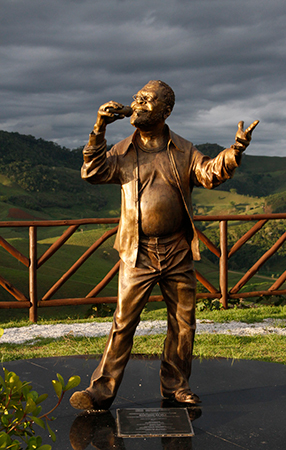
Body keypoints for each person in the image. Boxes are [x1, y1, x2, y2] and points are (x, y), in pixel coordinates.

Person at [70, 80, 259, 410]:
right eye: (137, 97)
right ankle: (100, 391)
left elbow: (209, 173)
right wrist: (99, 128)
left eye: (146, 99)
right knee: (123, 322)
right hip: (137, 251)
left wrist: (234, 152)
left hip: (177, 250)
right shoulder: (122, 150)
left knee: (183, 324)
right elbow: (92, 171)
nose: (137, 102)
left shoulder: (184, 151)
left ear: (165, 110)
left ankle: (176, 387)